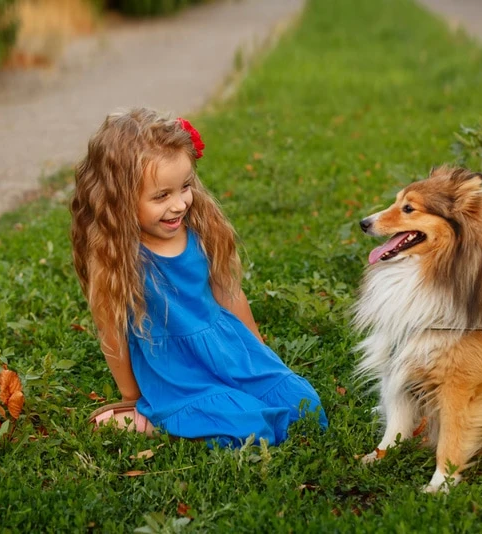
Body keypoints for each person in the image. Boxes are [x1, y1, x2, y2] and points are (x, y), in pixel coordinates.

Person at [70, 108, 327, 446]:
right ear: (118, 199)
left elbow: (229, 294)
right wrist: (135, 396)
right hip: (175, 371)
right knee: (249, 431)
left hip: (227, 348)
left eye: (185, 187)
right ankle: (143, 419)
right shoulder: (116, 255)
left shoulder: (201, 227)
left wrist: (260, 354)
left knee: (305, 409)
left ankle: (211, 409)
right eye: (162, 195)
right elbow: (111, 328)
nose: (179, 204)